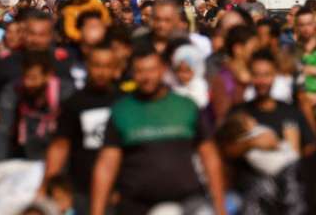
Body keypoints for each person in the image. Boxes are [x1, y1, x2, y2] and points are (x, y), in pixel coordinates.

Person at [90, 38, 226, 215]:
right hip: (137, 207)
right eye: (140, 71)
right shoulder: (122, 110)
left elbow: (209, 156)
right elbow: (106, 166)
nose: (146, 77)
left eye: (152, 70)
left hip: (188, 203)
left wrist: (220, 207)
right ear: (132, 73)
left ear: (163, 69)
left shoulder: (186, 106)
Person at [43, 40, 121, 215]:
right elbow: (60, 146)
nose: (101, 72)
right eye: (97, 65)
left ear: (116, 69)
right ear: (87, 66)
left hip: (118, 191)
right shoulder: (74, 103)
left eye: (108, 66)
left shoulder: (124, 103)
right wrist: (48, 186)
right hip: (81, 191)